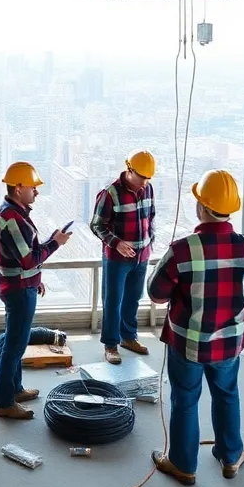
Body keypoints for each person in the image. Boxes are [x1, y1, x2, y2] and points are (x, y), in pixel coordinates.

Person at [146, 170, 244, 486]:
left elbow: (155, 294)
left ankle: (183, 464)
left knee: (184, 400)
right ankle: (231, 457)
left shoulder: (182, 250)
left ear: (201, 208)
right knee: (226, 394)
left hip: (187, 344)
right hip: (228, 345)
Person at [0, 161, 71, 420]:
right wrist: (55, 243)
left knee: (17, 341)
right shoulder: (11, 218)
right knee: (14, 346)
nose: (36, 192)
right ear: (17, 188)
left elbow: (25, 258)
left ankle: (14, 389)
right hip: (18, 289)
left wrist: (36, 278)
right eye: (32, 187)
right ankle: (3, 402)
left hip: (22, 284)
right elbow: (28, 260)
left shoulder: (17, 213)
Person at [90, 150, 157, 364]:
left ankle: (129, 337)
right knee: (113, 301)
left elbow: (151, 216)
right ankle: (111, 344)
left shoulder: (148, 189)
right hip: (117, 259)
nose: (145, 182)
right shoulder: (110, 194)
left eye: (148, 178)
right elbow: (97, 225)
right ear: (129, 170)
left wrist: (150, 241)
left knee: (133, 299)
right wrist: (117, 243)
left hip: (141, 256)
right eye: (141, 177)